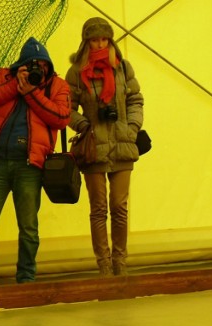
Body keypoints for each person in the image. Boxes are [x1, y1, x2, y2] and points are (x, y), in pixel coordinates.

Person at [0, 37, 71, 287]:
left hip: (30, 165)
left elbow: (61, 117)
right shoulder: (5, 76)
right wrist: (15, 85)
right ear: (19, 65)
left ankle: (26, 278)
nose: (36, 70)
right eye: (31, 65)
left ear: (48, 66)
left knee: (29, 227)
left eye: (41, 65)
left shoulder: (58, 86)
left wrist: (31, 93)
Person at [65, 17, 144, 276]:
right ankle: (104, 265)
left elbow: (135, 99)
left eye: (104, 38)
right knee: (98, 209)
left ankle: (121, 262)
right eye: (95, 39)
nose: (100, 43)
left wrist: (131, 128)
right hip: (93, 147)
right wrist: (84, 126)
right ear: (86, 41)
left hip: (122, 144)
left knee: (120, 207)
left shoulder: (122, 67)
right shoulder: (76, 71)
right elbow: (66, 109)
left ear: (110, 40)